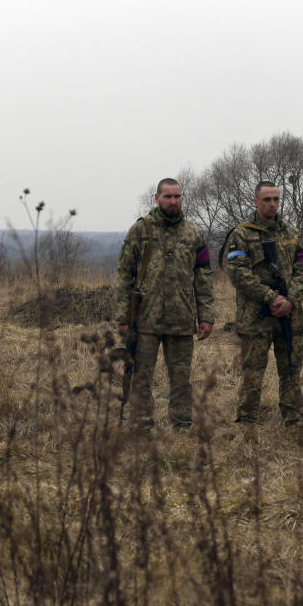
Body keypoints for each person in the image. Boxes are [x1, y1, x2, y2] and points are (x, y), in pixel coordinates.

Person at [115, 177, 214, 430]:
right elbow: (124, 274)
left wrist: (206, 316)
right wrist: (123, 319)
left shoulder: (193, 233)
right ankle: (142, 427)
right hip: (145, 320)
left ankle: (182, 427)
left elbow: (203, 277)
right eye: (168, 196)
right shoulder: (140, 230)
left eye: (177, 196)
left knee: (181, 380)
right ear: (157, 198)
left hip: (182, 320)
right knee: (142, 378)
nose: (173, 201)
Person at [224, 181, 303, 426]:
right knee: (252, 374)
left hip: (290, 317)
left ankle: (294, 422)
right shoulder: (242, 234)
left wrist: (291, 300)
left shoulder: (293, 234)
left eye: (276, 199)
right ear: (255, 201)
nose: (272, 204)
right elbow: (238, 273)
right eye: (266, 199)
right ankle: (247, 423)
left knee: (292, 372)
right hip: (255, 318)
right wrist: (271, 297)